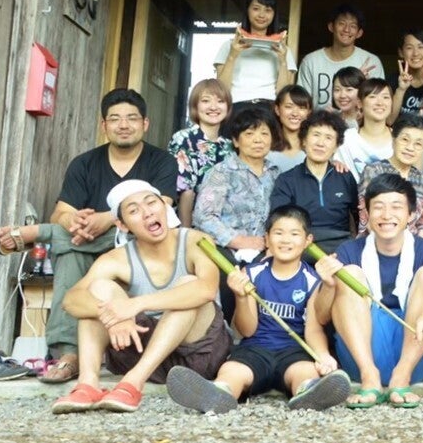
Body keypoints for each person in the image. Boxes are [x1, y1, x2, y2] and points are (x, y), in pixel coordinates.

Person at [50, 181, 229, 413]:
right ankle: (88, 384)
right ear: (122, 225)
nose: (147, 213)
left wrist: (134, 305)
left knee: (188, 286)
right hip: (139, 350)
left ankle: (133, 384)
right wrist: (112, 316)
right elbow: (71, 300)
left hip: (196, 356)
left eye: (152, 203)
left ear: (165, 207)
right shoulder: (116, 258)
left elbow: (206, 289)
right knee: (100, 288)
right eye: (134, 210)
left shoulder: (195, 240)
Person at [40, 89, 178, 384]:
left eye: (131, 118)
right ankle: (70, 355)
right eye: (115, 119)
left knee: (71, 241)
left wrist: (108, 219)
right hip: (88, 244)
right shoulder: (84, 163)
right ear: (104, 125)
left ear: (145, 124)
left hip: (136, 244)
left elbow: (161, 210)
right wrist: (73, 220)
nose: (123, 125)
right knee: (68, 242)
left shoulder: (161, 161)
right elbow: (60, 212)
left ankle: (29, 235)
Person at [166, 205, 350, 413]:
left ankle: (308, 392)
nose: (286, 240)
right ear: (267, 239)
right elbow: (246, 330)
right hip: (254, 349)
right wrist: (241, 296)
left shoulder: (312, 280)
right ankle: (219, 393)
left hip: (294, 351)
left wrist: (322, 355)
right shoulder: (251, 273)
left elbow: (314, 328)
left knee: (306, 372)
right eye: (278, 233)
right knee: (231, 370)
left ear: (308, 240)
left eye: (294, 234)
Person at [315, 173, 423, 407]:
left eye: (396, 207)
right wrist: (329, 286)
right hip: (360, 354)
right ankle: (370, 377)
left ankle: (401, 376)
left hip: (415, 351)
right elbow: (321, 316)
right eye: (378, 207)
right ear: (366, 214)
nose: (386, 215)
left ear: (411, 214)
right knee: (349, 273)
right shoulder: (349, 251)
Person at [194, 105, 281, 318]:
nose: (258, 140)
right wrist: (240, 241)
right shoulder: (222, 172)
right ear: (235, 140)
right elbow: (203, 217)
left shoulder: (276, 174)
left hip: (267, 249)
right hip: (226, 250)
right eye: (249, 134)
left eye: (264, 134)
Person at [269, 110, 358, 253]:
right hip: (300, 248)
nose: (320, 143)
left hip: (341, 247)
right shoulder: (287, 180)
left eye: (328, 137)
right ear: (304, 140)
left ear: (336, 146)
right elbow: (279, 221)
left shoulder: (344, 177)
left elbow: (358, 215)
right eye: (316, 135)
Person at [214, 0, 297, 105]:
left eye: (268, 10)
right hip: (236, 106)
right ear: (247, 10)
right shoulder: (229, 46)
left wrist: (283, 61)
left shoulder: (283, 50)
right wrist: (232, 56)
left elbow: (283, 95)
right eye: (256, 8)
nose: (262, 15)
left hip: (269, 107)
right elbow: (221, 90)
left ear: (274, 14)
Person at [357, 113, 423, 239]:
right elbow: (367, 218)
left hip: (414, 244)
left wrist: (418, 245)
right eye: (405, 140)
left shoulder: (422, 179)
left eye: (418, 144)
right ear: (394, 140)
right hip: (376, 241)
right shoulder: (374, 171)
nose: (410, 148)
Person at [168, 79, 234, 227]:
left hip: (224, 225)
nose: (213, 107)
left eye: (220, 101)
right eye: (205, 101)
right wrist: (186, 233)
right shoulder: (184, 138)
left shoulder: (229, 146)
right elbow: (186, 191)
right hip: (192, 222)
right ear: (195, 106)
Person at [295, 4, 384, 110]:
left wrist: (359, 82)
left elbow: (378, 106)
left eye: (353, 26)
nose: (346, 29)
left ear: (359, 33)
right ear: (331, 27)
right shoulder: (311, 61)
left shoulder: (371, 62)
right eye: (342, 23)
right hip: (320, 120)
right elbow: (300, 103)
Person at [335, 77, 395, 180]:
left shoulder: (400, 139)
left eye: (385, 97)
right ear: (359, 103)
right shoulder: (346, 139)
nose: (380, 103)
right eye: (372, 97)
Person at [389, 29, 423, 122]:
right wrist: (401, 89)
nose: (415, 53)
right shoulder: (392, 80)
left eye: (420, 47)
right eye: (409, 48)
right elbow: (389, 121)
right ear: (401, 52)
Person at [265, 85, 312, 171]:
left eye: (301, 108)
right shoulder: (265, 147)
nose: (295, 113)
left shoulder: (315, 147)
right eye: (289, 107)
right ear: (277, 109)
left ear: (308, 113)